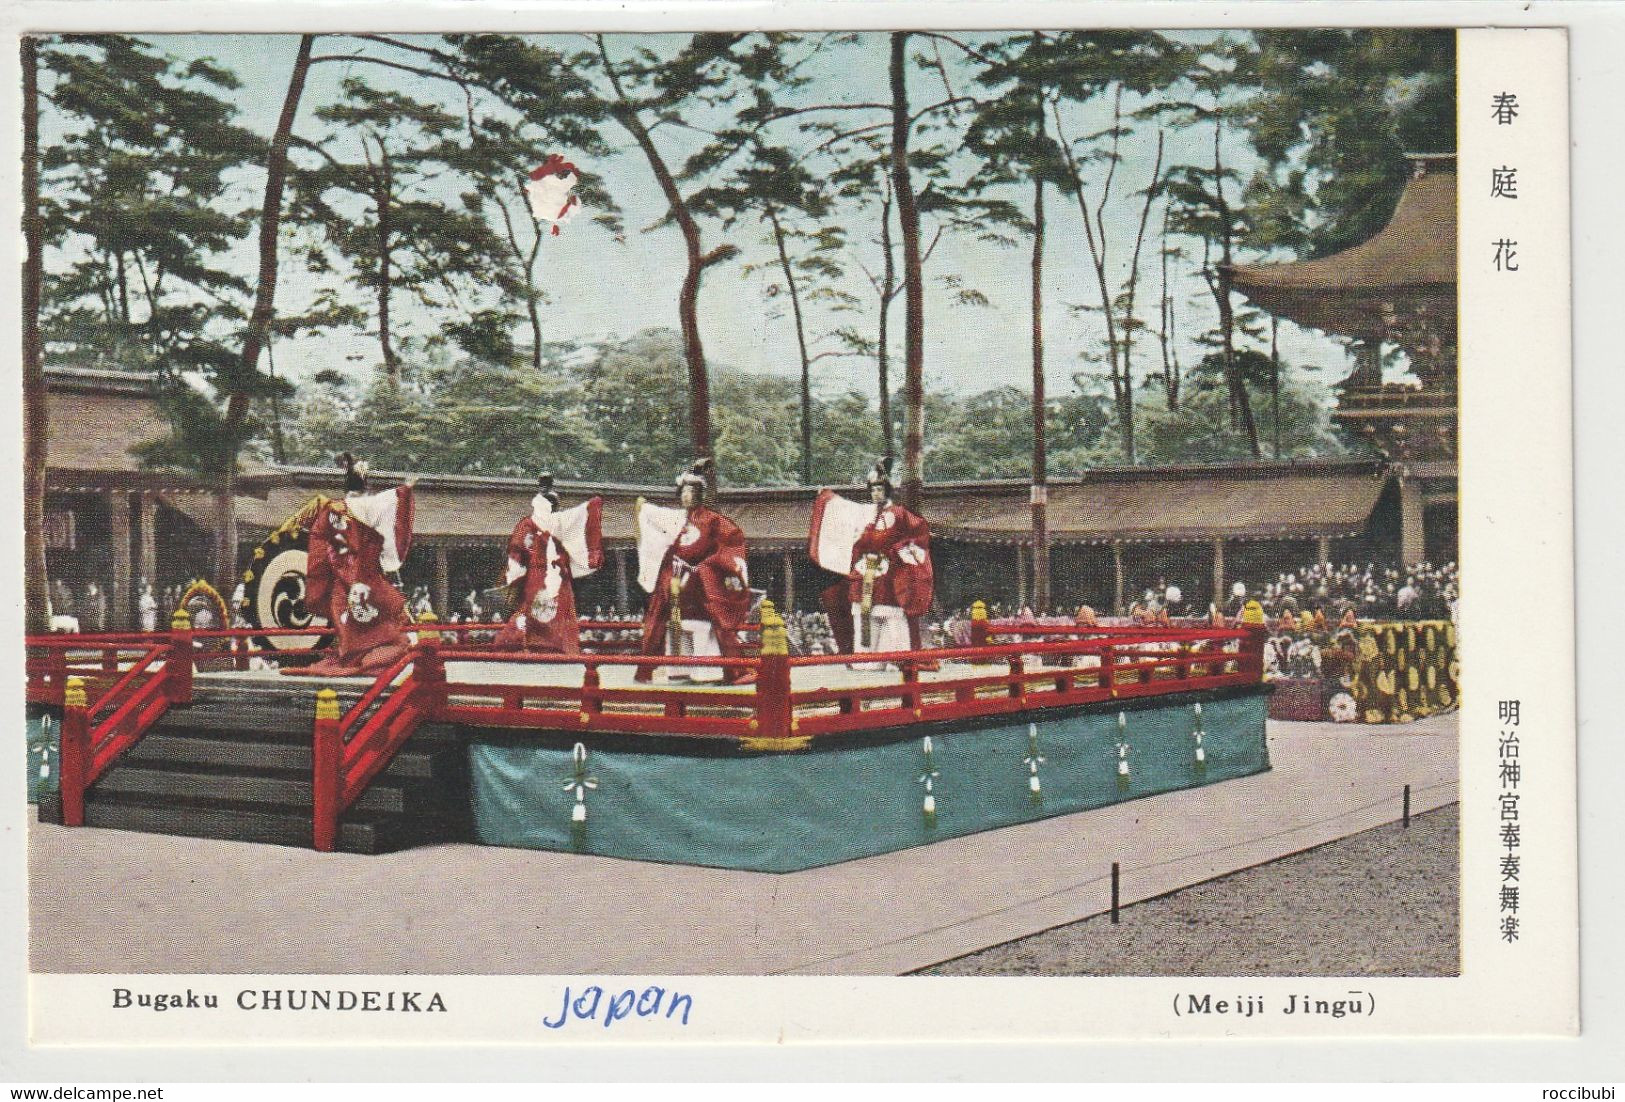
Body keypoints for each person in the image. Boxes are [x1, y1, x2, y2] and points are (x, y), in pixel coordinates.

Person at [284, 452, 415, 678]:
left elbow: (319, 544)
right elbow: (396, 500)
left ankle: (351, 657)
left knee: (346, 623)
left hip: (341, 579)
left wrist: (322, 577)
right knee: (378, 623)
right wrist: (406, 488)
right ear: (366, 485)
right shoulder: (375, 505)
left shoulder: (332, 510)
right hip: (369, 577)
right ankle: (368, 656)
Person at [635, 458, 754, 685]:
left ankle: (732, 669)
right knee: (657, 612)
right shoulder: (674, 519)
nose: (685, 496)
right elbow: (656, 535)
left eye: (690, 491)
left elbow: (732, 542)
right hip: (674, 580)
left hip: (701, 581)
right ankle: (652, 669)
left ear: (700, 493)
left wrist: (706, 567)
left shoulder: (712, 520)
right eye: (683, 491)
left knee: (716, 608)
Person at [811, 458, 935, 660]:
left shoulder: (900, 514)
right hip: (864, 574)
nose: (875, 493)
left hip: (890, 575)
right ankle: (866, 664)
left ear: (887, 490)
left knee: (893, 624)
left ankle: (898, 663)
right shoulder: (866, 514)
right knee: (863, 622)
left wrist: (894, 553)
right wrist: (826, 497)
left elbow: (916, 536)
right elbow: (844, 516)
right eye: (873, 489)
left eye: (879, 489)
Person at [493, 475, 604, 654]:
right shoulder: (558, 522)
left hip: (541, 573)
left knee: (540, 607)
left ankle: (536, 642)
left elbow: (519, 547)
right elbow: (585, 515)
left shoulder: (530, 523)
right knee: (554, 608)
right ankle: (554, 644)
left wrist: (516, 571)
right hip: (554, 573)